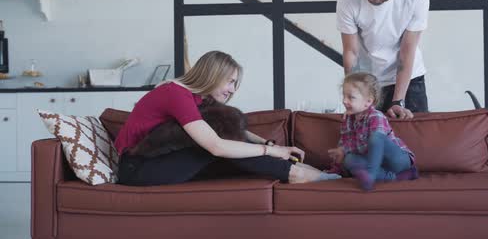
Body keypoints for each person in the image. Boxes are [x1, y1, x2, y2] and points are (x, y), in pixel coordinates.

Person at [115, 50, 340, 186]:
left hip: (156, 162)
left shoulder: (195, 98)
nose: (233, 90)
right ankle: (297, 174)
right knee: (216, 148)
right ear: (213, 76)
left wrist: (267, 143)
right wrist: (272, 151)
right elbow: (216, 145)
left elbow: (232, 134)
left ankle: (305, 172)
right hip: (137, 169)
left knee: (232, 150)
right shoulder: (175, 93)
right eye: (230, 81)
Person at [336, 0, 430, 119]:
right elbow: (351, 51)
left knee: (414, 139)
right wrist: (355, 94)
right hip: (369, 82)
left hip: (409, 80)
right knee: (367, 139)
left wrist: (397, 102)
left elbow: (407, 50)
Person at [328, 72, 418, 191]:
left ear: (368, 102)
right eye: (344, 96)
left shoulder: (376, 116)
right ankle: (394, 177)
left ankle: (370, 175)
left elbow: (375, 143)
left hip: (397, 161)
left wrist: (349, 151)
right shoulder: (348, 120)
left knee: (376, 138)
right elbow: (347, 145)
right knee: (348, 159)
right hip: (377, 164)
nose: (344, 101)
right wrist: (341, 153)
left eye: (351, 97)